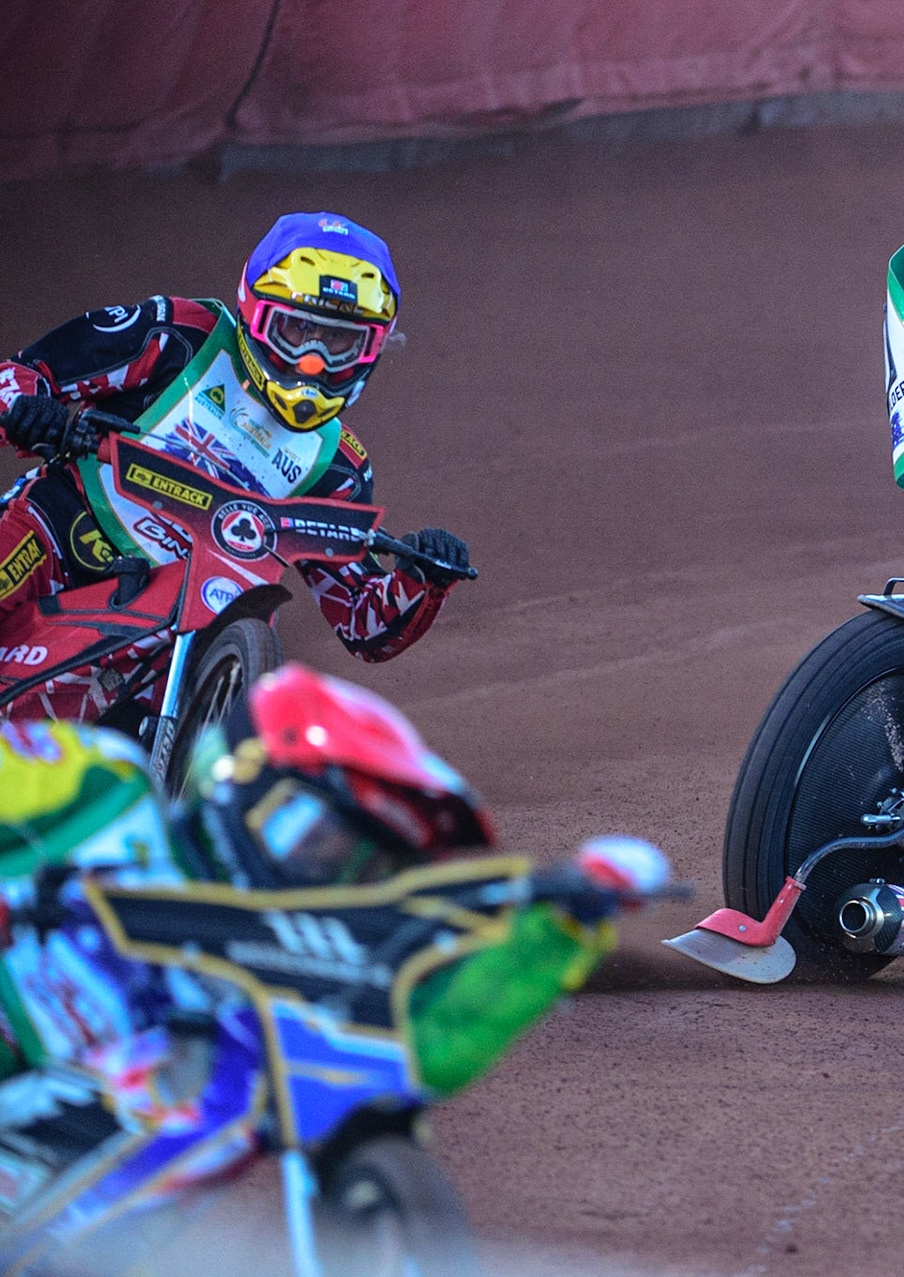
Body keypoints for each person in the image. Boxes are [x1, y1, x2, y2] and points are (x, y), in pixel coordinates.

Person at [0, 666, 664, 1248]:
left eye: (367, 867)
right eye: (325, 842)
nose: (337, 876)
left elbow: (426, 1045)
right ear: (248, 786)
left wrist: (553, 931)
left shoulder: (288, 996)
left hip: (48, 1214)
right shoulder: (100, 788)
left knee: (247, 1064)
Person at [0, 212, 471, 707]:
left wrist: (422, 580)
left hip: (181, 618)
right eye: (296, 328)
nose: (313, 360)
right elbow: (23, 372)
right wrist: (32, 412)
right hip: (54, 537)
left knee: (250, 682)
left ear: (370, 350)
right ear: (256, 311)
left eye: (337, 341)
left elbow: (361, 624)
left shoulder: (338, 468)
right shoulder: (181, 333)